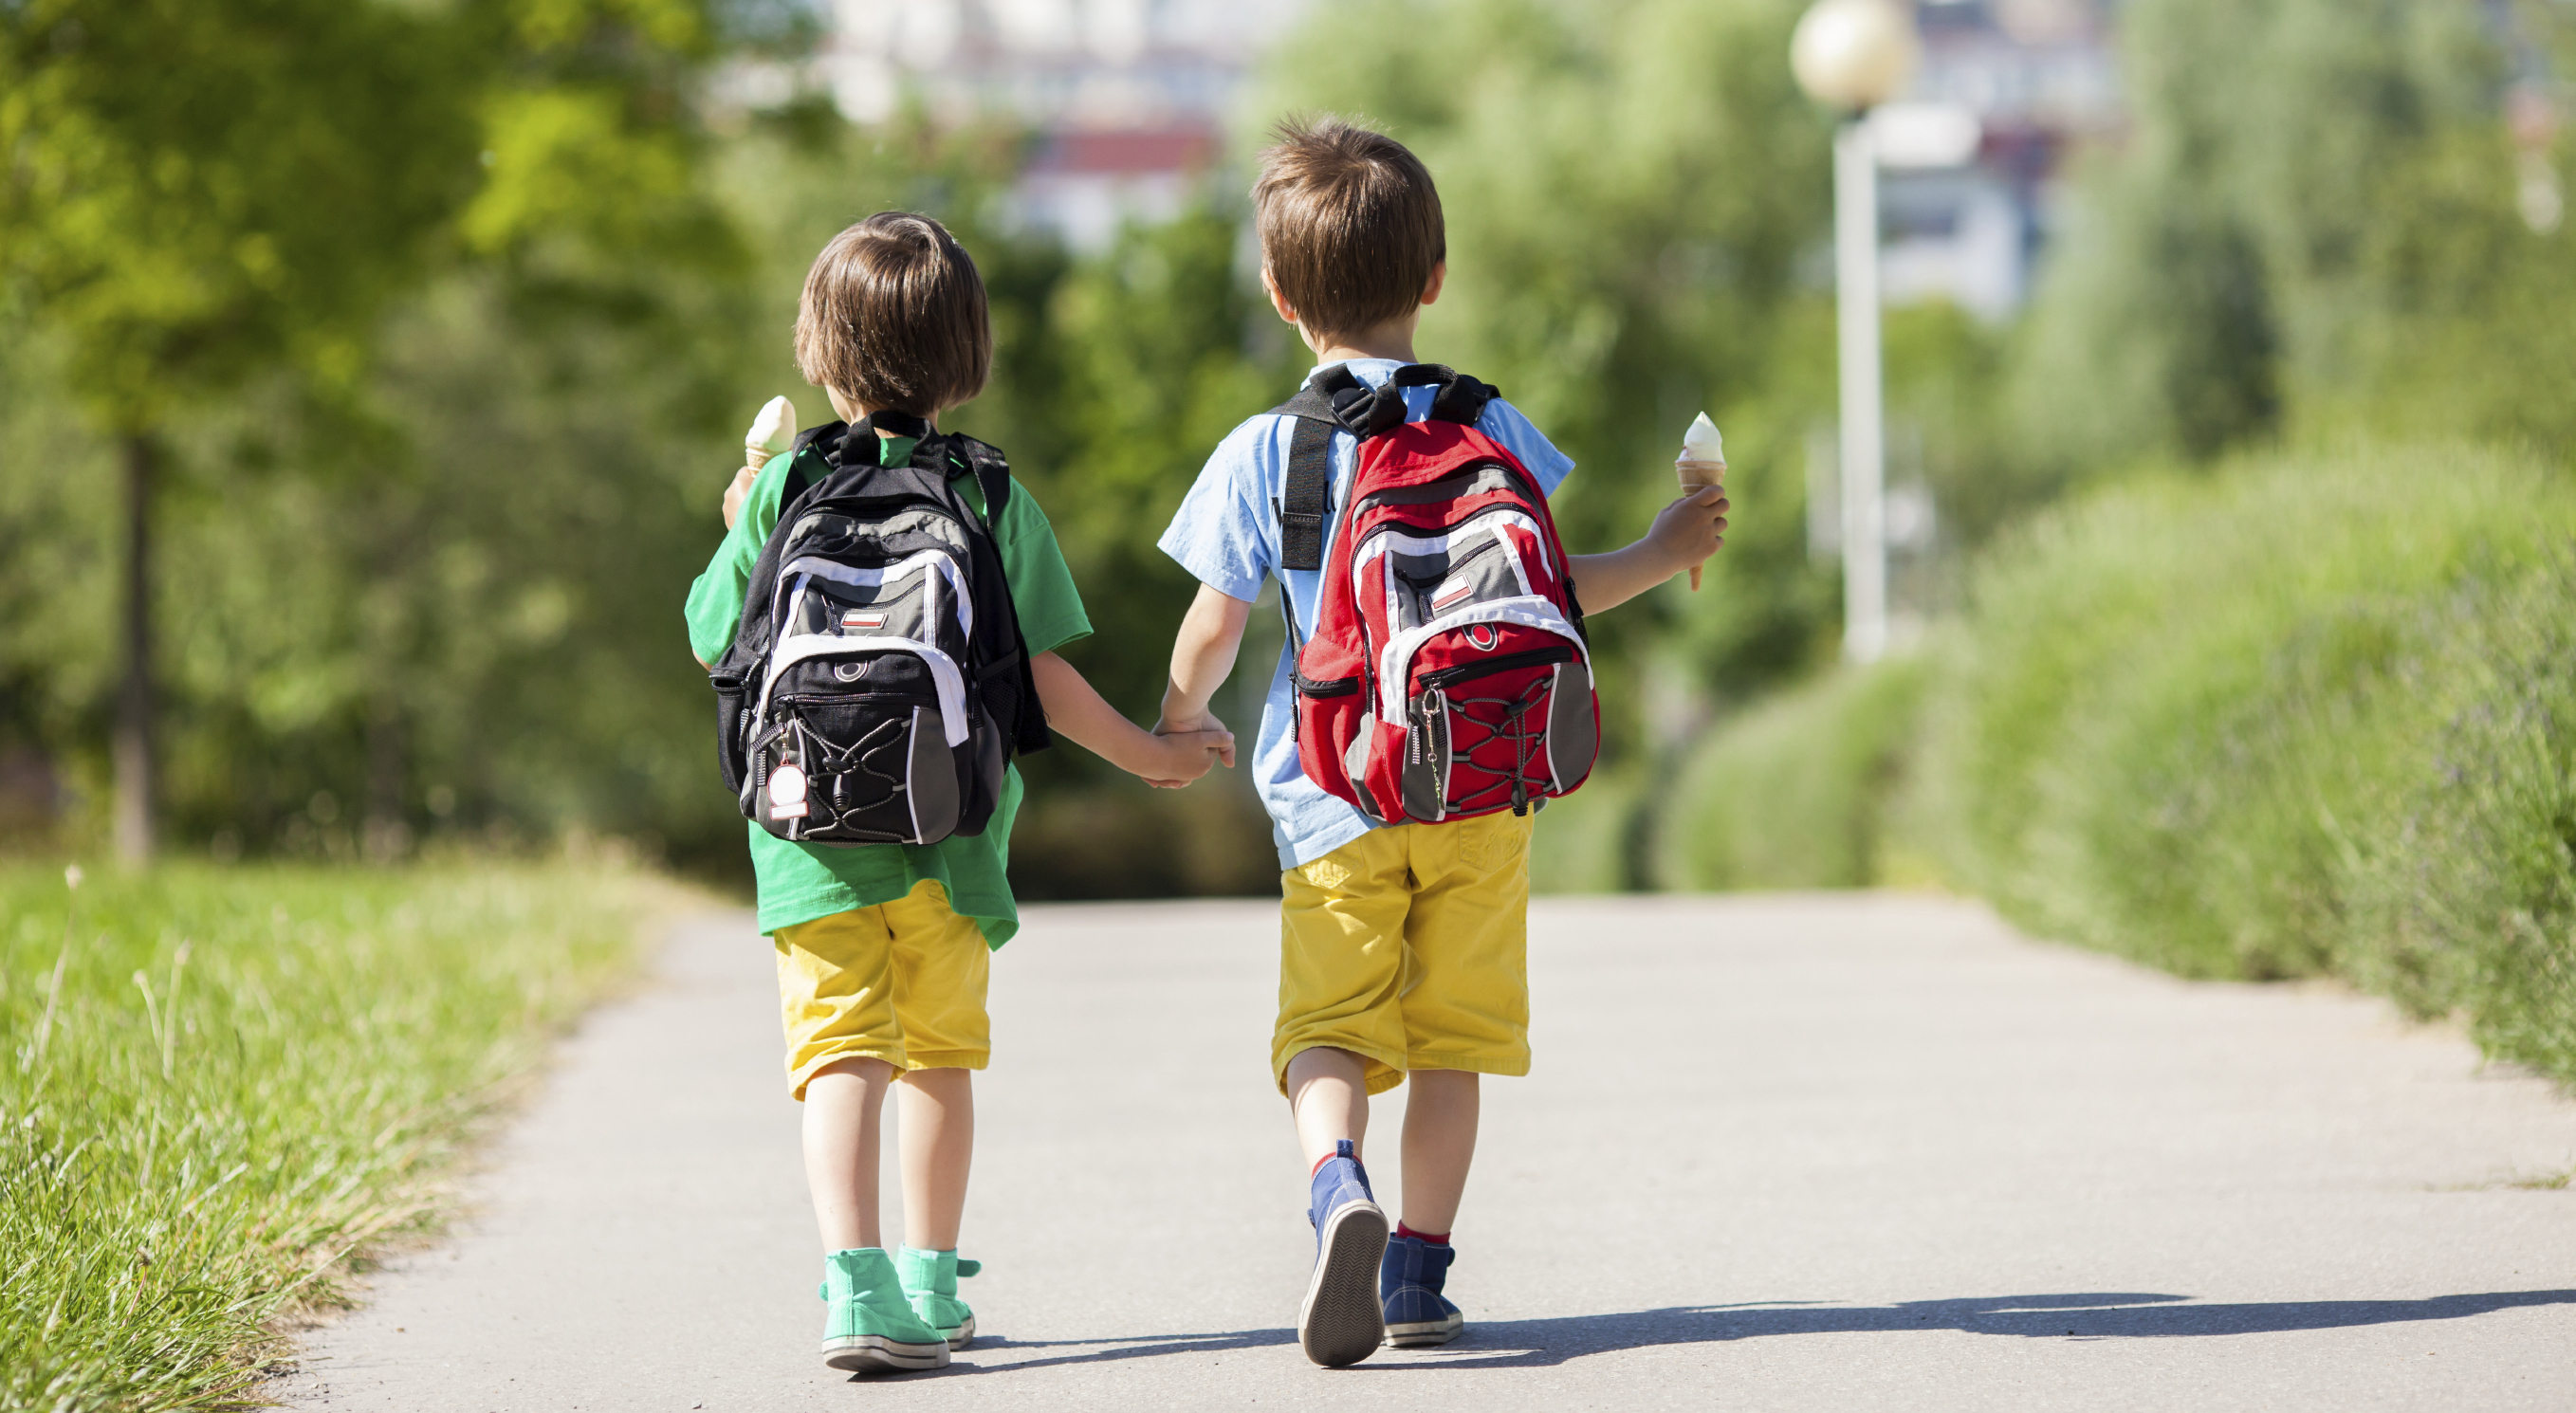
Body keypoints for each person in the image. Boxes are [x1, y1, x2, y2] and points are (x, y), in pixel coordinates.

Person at [1152, 118, 1728, 1367]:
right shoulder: (1491, 424)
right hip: (1482, 784)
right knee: (1455, 1038)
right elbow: (1553, 587)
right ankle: (1417, 1268)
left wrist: (1182, 715)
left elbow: (1212, 626)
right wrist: (1668, 547)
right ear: (1436, 276)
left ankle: (1334, 1185)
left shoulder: (1268, 450)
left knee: (1331, 1029)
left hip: (1332, 796)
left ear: (1277, 293)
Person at [685, 212, 1233, 1374]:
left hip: (807, 840)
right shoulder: (986, 492)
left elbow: (707, 639)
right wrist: (1151, 752)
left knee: (839, 1054)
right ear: (967, 354)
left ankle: (854, 1287)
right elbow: (1040, 673)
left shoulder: (784, 485)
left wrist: (739, 524)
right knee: (936, 1055)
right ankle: (930, 1287)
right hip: (953, 837)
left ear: (818, 352)